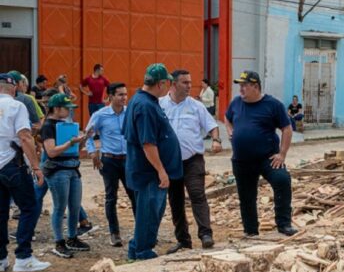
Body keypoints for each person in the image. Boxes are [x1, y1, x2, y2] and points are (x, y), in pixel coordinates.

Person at [225, 71, 298, 238]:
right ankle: (250, 230)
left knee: (282, 180)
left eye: (244, 86)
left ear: (256, 86)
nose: (241, 89)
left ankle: (284, 224)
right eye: (240, 85)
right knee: (246, 195)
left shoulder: (273, 105)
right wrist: (231, 132)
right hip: (242, 160)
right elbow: (227, 117)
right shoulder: (236, 103)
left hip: (267, 157)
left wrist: (282, 154)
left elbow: (287, 129)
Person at [123, 63, 182, 260]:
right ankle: (142, 251)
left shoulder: (143, 101)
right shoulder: (145, 105)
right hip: (149, 172)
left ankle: (136, 248)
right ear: (161, 83)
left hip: (147, 170)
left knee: (149, 211)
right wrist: (161, 171)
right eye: (168, 84)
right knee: (149, 213)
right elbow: (148, 143)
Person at [160, 70, 221, 254]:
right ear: (173, 84)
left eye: (190, 82)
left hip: (193, 160)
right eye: (185, 82)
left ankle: (205, 235)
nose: (189, 86)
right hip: (170, 162)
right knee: (175, 200)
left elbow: (212, 126)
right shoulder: (160, 105)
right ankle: (183, 240)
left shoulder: (196, 106)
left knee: (197, 194)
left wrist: (216, 140)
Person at [0, 73, 50, 272]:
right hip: (12, 164)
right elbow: (25, 136)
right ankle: (23, 256)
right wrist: (36, 167)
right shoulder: (16, 106)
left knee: (1, 212)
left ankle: (1, 258)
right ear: (13, 89)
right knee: (29, 206)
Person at [34, 89, 93, 233]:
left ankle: (73, 237)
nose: (69, 111)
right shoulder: (48, 126)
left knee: (74, 207)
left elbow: (74, 151)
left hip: (72, 168)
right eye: (66, 108)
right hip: (57, 171)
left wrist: (83, 139)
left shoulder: (66, 125)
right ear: (57, 108)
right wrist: (70, 143)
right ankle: (59, 241)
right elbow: (52, 152)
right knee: (60, 208)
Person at [85, 83, 136, 247]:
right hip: (109, 161)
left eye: (125, 94)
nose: (124, 98)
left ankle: (141, 231)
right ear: (111, 96)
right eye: (120, 95)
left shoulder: (131, 112)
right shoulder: (100, 115)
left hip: (129, 160)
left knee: (135, 195)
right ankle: (114, 233)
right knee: (111, 197)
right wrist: (92, 152)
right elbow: (88, 135)